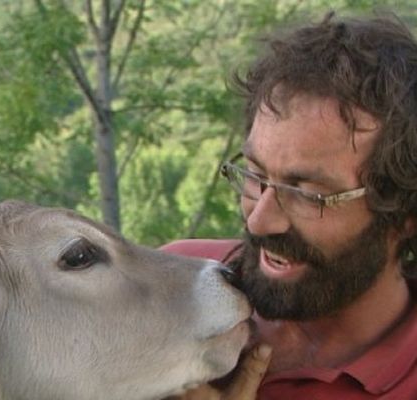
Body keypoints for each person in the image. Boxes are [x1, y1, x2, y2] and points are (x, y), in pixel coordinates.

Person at [164, 10, 417, 400]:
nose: (260, 220)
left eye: (307, 193)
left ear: (405, 216)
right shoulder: (167, 283)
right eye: (254, 173)